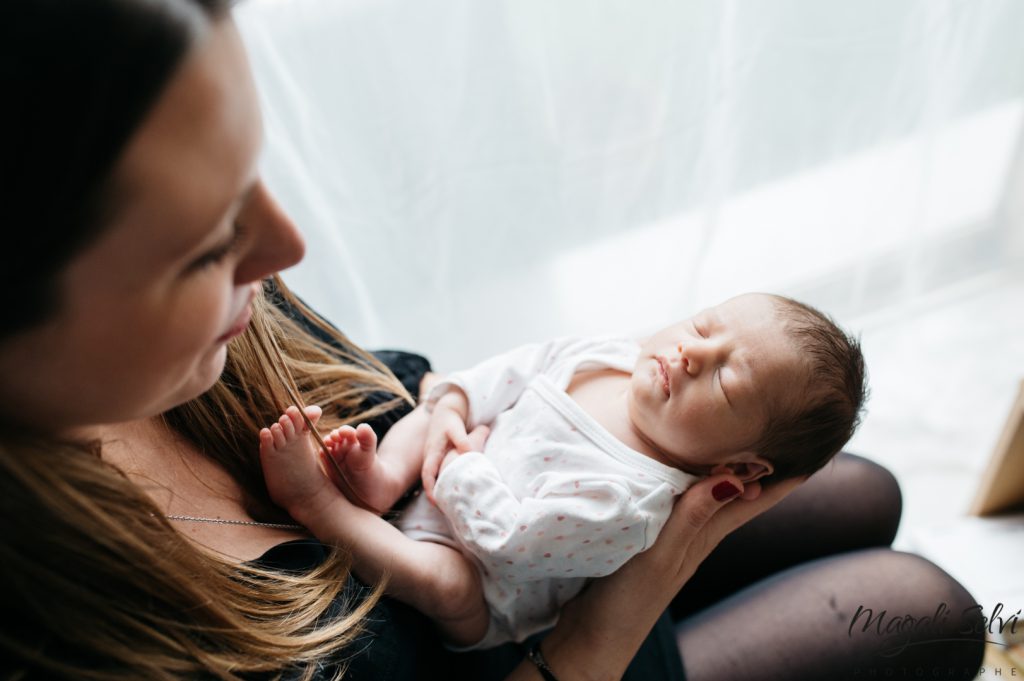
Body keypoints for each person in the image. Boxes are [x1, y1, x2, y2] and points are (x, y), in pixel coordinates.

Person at [0, 1, 986, 679]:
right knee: (921, 606)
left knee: (865, 487)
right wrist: (612, 624)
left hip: (514, 540)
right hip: (527, 643)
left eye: (249, 173)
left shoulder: (217, 314)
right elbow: (514, 516)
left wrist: (451, 408)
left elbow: (473, 375)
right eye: (203, 244)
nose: (286, 247)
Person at [259, 292, 867, 649]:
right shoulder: (610, 360)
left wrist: (464, 462)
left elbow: (509, 545)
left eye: (724, 378)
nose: (691, 352)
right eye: (704, 327)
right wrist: (457, 403)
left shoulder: (631, 502)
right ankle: (380, 480)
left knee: (448, 586)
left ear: (740, 465)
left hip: (481, 578)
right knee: (432, 405)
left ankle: (320, 503)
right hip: (451, 464)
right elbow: (521, 366)